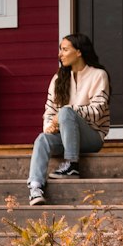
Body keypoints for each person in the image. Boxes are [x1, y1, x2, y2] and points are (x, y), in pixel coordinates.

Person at [27, 33, 110, 205]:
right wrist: (49, 126)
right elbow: (49, 110)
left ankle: (72, 165)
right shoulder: (58, 79)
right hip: (65, 138)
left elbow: (98, 109)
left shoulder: (98, 75)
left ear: (79, 52)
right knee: (42, 139)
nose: (60, 54)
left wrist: (65, 114)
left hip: (92, 137)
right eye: (60, 50)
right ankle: (36, 188)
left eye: (65, 49)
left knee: (66, 111)